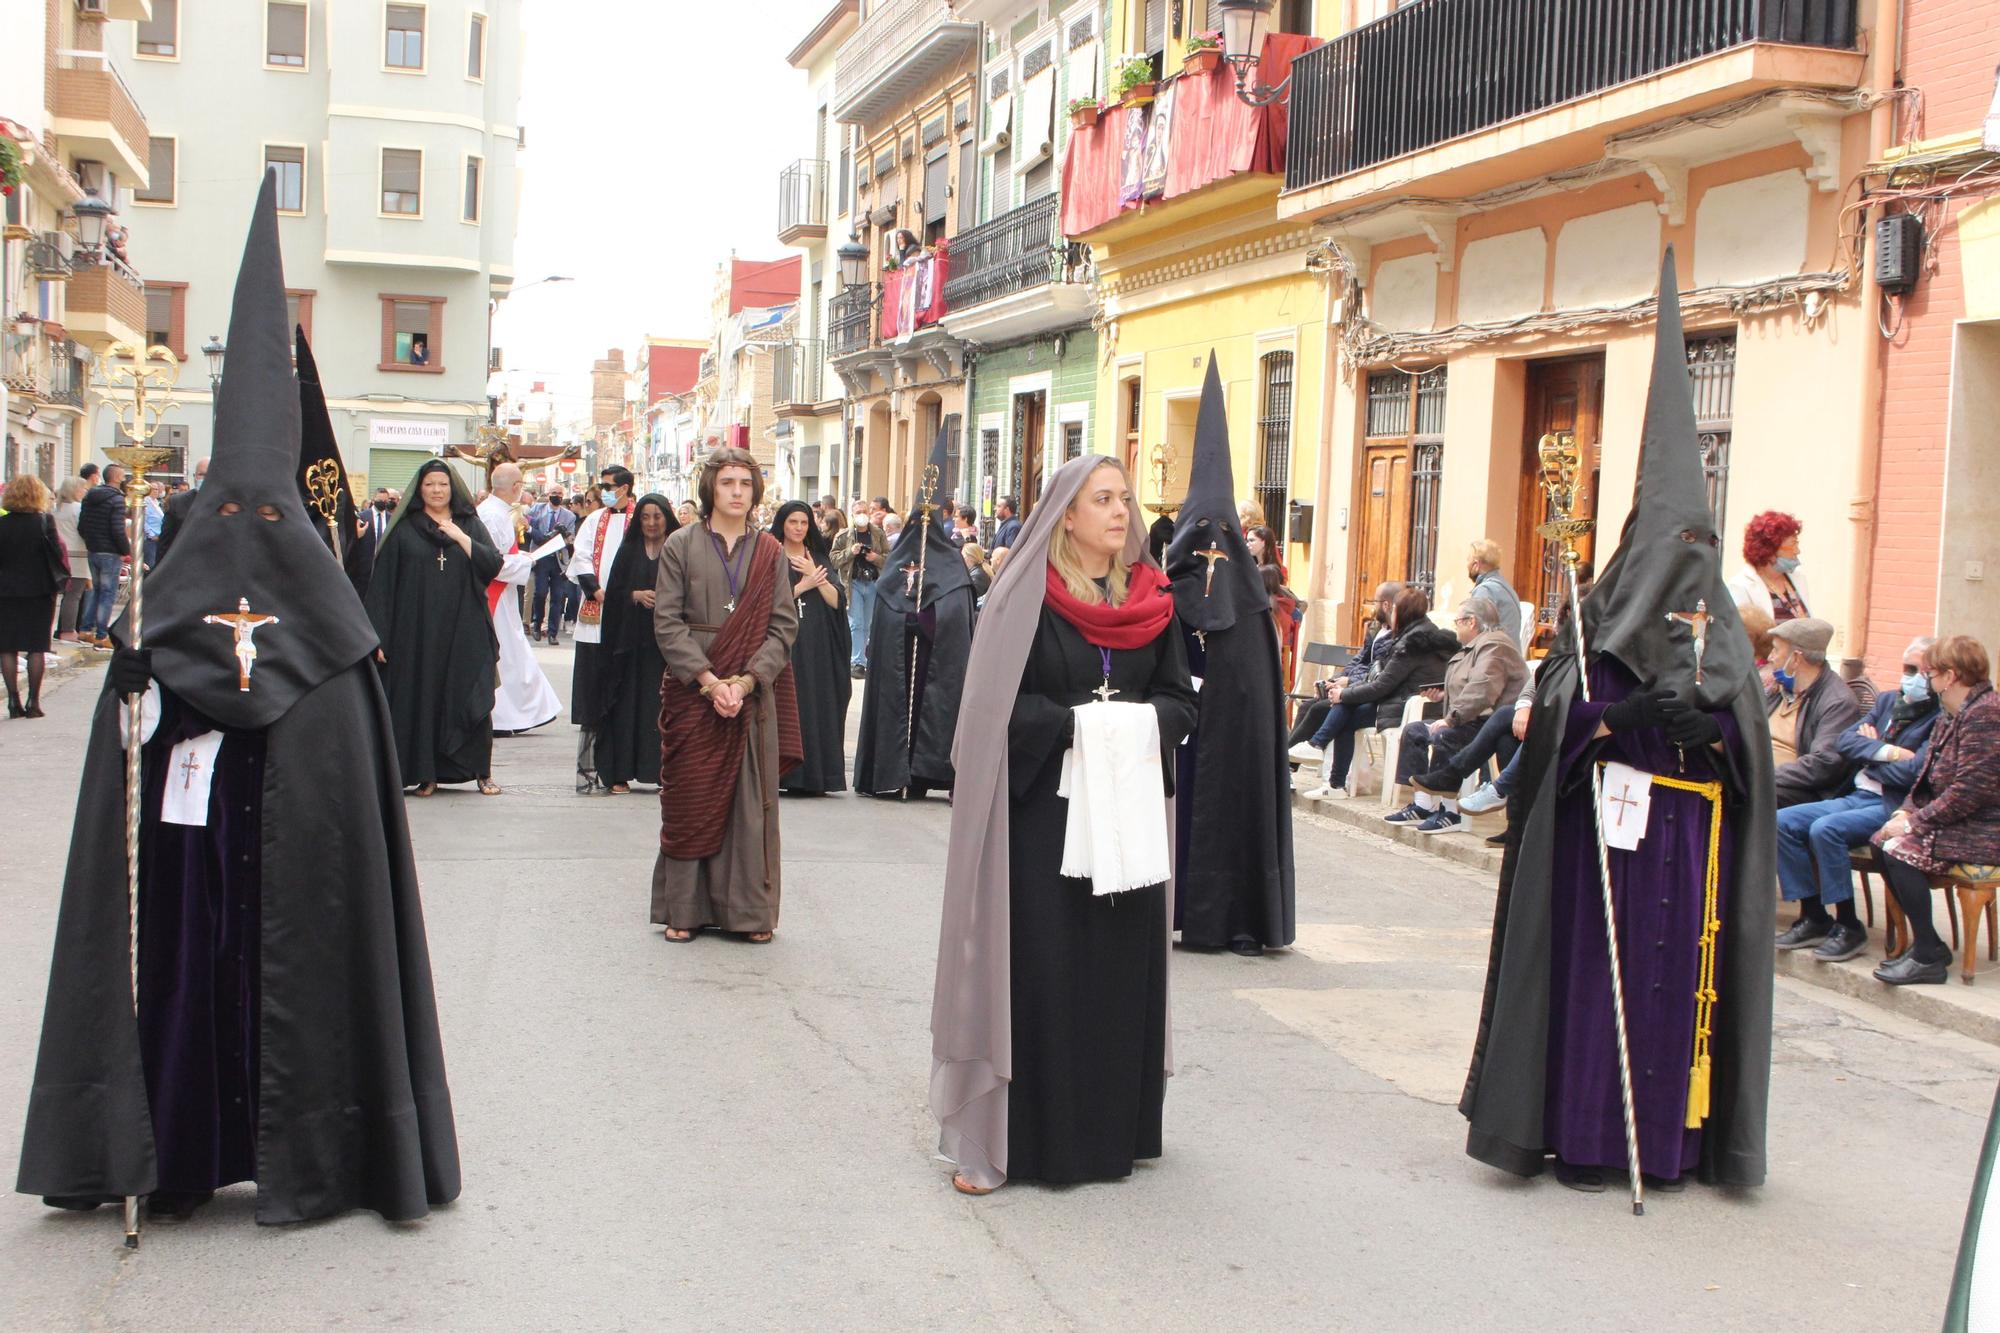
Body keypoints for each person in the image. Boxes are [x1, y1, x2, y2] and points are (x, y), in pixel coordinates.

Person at [16, 177, 458, 1226]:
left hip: (297, 860)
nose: (247, 533)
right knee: (186, 979)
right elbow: (127, 767)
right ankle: (170, 1143)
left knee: (309, 970)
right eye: (228, 509)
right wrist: (131, 689)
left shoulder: (339, 646)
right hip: (193, 861)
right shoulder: (162, 620)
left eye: (270, 512)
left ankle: (332, 1148)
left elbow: (354, 811)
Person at [1461, 251, 1773, 1194]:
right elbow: (1549, 728)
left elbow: (1747, 754)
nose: (1686, 568)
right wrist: (1617, 712)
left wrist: (1709, 735)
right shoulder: (1591, 628)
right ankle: (1587, 1138)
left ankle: (1674, 1146)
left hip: (1691, 852)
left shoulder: (1724, 643)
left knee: (1676, 1002)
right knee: (1600, 996)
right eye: (1670, 547)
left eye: (1700, 548)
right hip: (1603, 847)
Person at [930, 453, 1196, 1194]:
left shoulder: (1154, 599)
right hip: (1044, 818)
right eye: (1103, 499)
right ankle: (1027, 1141)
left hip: (1128, 814)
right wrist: (1081, 725)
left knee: (1116, 968)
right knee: (1048, 968)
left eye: (1124, 498)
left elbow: (1181, 699)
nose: (1121, 512)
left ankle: (1113, 1132)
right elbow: (993, 713)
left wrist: (1136, 723)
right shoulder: (1025, 599)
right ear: (1066, 517)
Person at [1165, 358, 1295, 955]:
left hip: (1229, 743)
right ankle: (1168, 907)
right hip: (1180, 735)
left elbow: (1258, 699)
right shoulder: (1160, 595)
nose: (1209, 553)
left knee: (1239, 805)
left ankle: (1239, 917)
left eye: (1221, 535)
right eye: (1201, 534)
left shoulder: (1252, 613)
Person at [650, 446, 801, 944]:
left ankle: (750, 913)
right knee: (691, 797)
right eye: (727, 483)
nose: (737, 492)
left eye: (745, 483)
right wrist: (709, 681)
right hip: (694, 691)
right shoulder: (680, 544)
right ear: (711, 489)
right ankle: (684, 910)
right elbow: (667, 622)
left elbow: (783, 626)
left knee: (749, 802)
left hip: (752, 693)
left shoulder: (771, 552)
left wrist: (746, 681)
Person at [1775, 636, 1942, 962]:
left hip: (1891, 806)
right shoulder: (1887, 702)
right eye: (1905, 667)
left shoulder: (1938, 718)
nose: (1907, 676)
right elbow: (1845, 742)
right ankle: (1813, 915)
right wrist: (1889, 753)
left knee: (1826, 829)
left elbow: (1915, 773)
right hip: (1856, 794)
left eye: (1916, 670)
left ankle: (1848, 925)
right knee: (1782, 821)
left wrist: (1872, 757)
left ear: (1936, 675)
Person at [365, 459, 504, 796]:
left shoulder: (469, 524)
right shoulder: (404, 528)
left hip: (464, 627)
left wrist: (460, 537)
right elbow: (382, 584)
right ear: (420, 489)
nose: (437, 490)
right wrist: (378, 635)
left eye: (442, 484)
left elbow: (493, 564)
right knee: (421, 697)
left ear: (452, 487)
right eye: (430, 484)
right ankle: (426, 772)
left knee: (467, 691)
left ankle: (479, 771)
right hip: (416, 632)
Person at [1869, 636, 2000, 986]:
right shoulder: (1951, 712)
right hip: (1950, 819)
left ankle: (1927, 956)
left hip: (1981, 827)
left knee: (1898, 851)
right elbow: (1925, 778)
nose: (1925, 678)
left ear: (1951, 675)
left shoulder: (1986, 714)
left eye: (1929, 672)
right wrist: (1904, 813)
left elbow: (1970, 792)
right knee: (1881, 839)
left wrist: (1915, 823)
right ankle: (1931, 946)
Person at [853, 432, 976, 800]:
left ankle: (926, 772)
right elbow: (885, 609)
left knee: (933, 710)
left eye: (929, 523)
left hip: (934, 664)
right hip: (899, 661)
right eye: (917, 523)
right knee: (895, 709)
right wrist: (905, 620)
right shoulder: (896, 567)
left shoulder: (954, 569)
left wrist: (929, 620)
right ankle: (892, 771)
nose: (923, 529)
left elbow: (959, 621)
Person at [1300, 587, 1457, 799]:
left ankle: (1322, 756)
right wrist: (1347, 690)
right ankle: (1330, 774)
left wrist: (1344, 694)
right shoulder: (1420, 634)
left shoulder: (1412, 644)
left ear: (1401, 613)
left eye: (1394, 610)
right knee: (1346, 710)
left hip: (1408, 707)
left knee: (1345, 706)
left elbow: (1382, 685)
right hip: (1404, 701)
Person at [1390, 597, 1530, 833]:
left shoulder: (1495, 646)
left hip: (1491, 723)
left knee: (1445, 734)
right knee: (1414, 730)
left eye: (1458, 621)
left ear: (1472, 622)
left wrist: (1450, 718)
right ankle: (1424, 804)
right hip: (1473, 717)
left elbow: (1483, 690)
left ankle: (1450, 811)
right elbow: (1468, 685)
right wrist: (1444, 695)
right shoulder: (1473, 648)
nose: (1456, 626)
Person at [593, 494, 679, 793]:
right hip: (629, 644)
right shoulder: (629, 551)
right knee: (625, 705)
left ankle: (661, 772)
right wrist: (635, 595)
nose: (652, 523)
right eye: (646, 516)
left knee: (662, 708)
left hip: (666, 646)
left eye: (658, 516)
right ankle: (619, 771)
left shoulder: (678, 549)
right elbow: (613, 593)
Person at [770, 498, 851, 794]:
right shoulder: (770, 553)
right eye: (793, 522)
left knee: (816, 704)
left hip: (817, 644)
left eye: (804, 522)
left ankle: (815, 776)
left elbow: (837, 602)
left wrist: (816, 579)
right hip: (784, 643)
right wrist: (802, 585)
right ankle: (783, 774)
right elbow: (763, 601)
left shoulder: (816, 555)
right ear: (783, 524)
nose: (799, 528)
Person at [475, 463, 562, 735]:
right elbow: (492, 563)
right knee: (507, 657)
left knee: (514, 655)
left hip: (503, 596)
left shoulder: (498, 512)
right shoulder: (491, 515)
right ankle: (502, 717)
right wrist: (527, 563)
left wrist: (521, 558)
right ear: (515, 487)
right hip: (495, 595)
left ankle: (518, 713)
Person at [568, 466, 638, 788]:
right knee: (594, 690)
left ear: (624, 488)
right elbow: (580, 557)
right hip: (596, 613)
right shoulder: (595, 520)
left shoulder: (641, 519)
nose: (604, 492)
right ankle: (592, 766)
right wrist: (596, 589)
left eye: (608, 487)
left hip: (630, 615)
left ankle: (622, 766)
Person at [1290, 581, 1402, 759]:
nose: (1373, 606)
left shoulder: (1397, 639)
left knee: (1318, 709)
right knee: (1306, 706)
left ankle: (1284, 760)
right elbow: (1359, 659)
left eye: (1375, 602)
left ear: (1386, 605)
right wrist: (1337, 679)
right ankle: (1288, 766)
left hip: (1368, 695)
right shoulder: (1375, 628)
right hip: (1354, 686)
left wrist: (1349, 682)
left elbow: (1380, 673)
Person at [1764, 617, 1863, 808]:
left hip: (1799, 790)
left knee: (1745, 794)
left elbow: (1824, 764)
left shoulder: (1837, 701)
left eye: (1776, 649)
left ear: (1796, 658)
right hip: (1759, 775)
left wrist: (1762, 778)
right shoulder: (1778, 688)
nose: (1770, 657)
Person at [0, 474, 67, 718]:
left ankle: (13, 701)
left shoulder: (2, 524)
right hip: (39, 590)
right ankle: (34, 702)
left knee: (7, 647)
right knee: (37, 647)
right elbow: (57, 554)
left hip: (5, 591)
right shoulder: (45, 522)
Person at [78, 461, 129, 649]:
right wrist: (125, 550)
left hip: (94, 549)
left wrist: (91, 541)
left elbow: (82, 525)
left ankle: (85, 629)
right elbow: (118, 529)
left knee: (96, 591)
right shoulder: (116, 499)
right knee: (107, 594)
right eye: (122, 475)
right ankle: (101, 634)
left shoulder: (90, 496)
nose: (124, 478)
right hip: (110, 551)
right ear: (116, 477)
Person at [1727, 511, 1809, 623]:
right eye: (1792, 544)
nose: (1797, 551)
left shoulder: (1798, 578)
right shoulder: (1741, 586)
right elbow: (1744, 634)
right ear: (1770, 550)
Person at [832, 500, 883, 675]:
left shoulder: (878, 534)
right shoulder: (843, 536)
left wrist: (875, 557)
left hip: (872, 583)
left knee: (867, 623)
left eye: (864, 511)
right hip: (853, 583)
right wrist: (850, 552)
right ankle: (857, 661)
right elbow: (834, 560)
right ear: (852, 515)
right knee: (856, 623)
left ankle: (863, 657)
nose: (861, 514)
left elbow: (889, 557)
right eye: (857, 512)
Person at [1465, 538, 1524, 647]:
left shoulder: (1485, 590)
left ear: (1476, 564)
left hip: (1496, 657)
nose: (1466, 565)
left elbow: (1476, 631)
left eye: (1468, 559)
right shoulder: (1506, 587)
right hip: (1511, 655)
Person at [52, 477, 89, 642]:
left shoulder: (56, 509)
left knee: (63, 595)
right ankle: (68, 630)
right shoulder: (78, 509)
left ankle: (61, 628)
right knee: (73, 595)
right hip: (77, 555)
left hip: (59, 554)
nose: (84, 492)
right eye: (82, 489)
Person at [156, 457, 208, 561]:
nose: (205, 479)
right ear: (194, 476)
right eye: (201, 475)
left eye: (209, 475)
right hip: (183, 565)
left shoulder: (228, 503)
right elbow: (165, 542)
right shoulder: (177, 502)